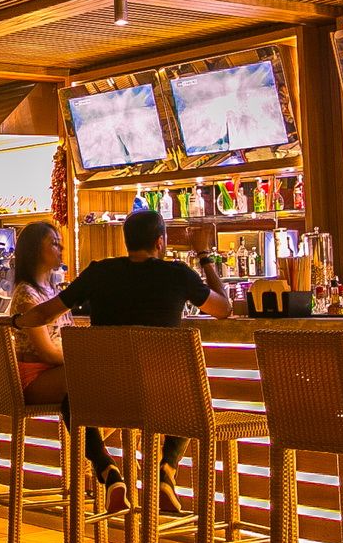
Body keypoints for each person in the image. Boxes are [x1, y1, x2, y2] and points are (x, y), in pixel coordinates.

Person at [17, 209, 232, 516]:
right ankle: (166, 470)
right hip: (164, 399)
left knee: (73, 399)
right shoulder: (178, 274)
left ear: (126, 241)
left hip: (109, 398)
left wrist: (13, 321)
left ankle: (107, 470)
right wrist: (204, 256)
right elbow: (224, 309)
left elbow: (43, 313)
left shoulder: (99, 272)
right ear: (160, 242)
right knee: (192, 393)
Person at [7, 219, 123, 497]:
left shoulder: (52, 291)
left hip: (55, 375)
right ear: (36, 250)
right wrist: (82, 359)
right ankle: (97, 463)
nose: (61, 249)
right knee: (90, 381)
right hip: (33, 377)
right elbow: (46, 351)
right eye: (54, 244)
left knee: (103, 385)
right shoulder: (26, 295)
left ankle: (100, 464)